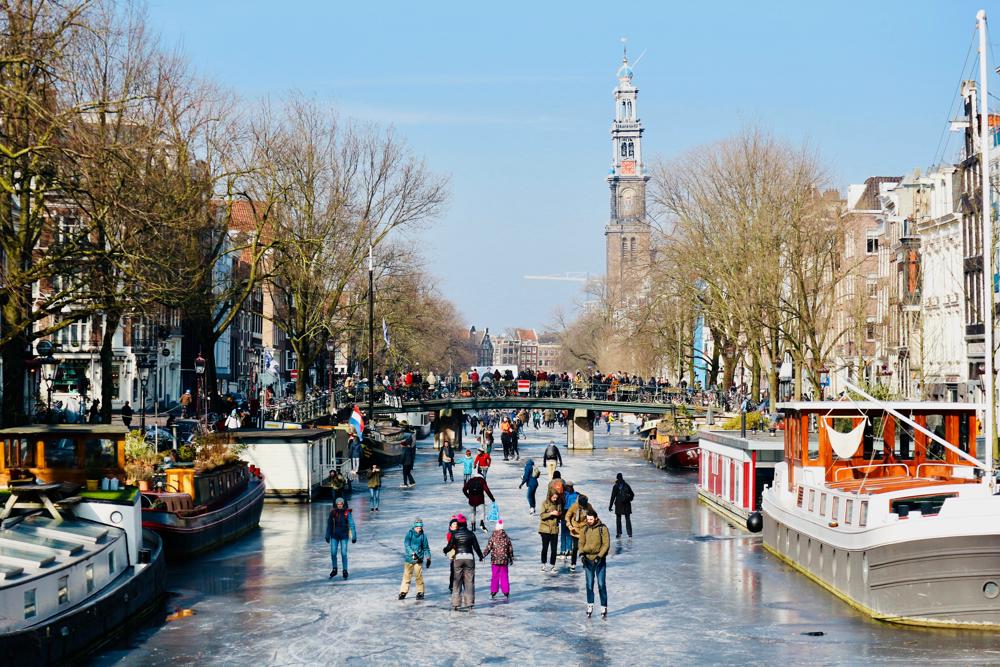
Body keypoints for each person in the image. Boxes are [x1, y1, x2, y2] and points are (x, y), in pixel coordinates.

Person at [445, 514, 483, 610]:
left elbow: (449, 546)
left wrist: (445, 550)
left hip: (458, 558)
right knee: (469, 581)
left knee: (457, 581)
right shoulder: (471, 534)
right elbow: (476, 547)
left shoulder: (455, 534)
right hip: (469, 558)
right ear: (466, 523)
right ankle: (469, 603)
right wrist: (480, 556)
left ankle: (456, 604)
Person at [579, 508, 611, 618]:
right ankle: (590, 605)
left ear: (596, 518)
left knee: (601, 584)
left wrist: (599, 556)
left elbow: (606, 544)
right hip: (588, 560)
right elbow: (581, 542)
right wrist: (582, 554)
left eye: (591, 519)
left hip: (600, 561)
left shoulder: (603, 528)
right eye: (588, 519)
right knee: (589, 584)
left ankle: (603, 606)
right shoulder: (584, 529)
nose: (589, 521)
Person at [324, 497, 357, 579]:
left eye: (341, 504)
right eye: (338, 504)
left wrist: (354, 536)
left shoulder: (347, 513)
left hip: (344, 536)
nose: (339, 505)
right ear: (336, 504)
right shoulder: (333, 513)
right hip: (334, 536)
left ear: (343, 504)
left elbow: (352, 524)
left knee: (344, 553)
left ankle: (345, 570)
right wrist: (327, 535)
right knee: (333, 552)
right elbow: (329, 525)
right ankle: (334, 569)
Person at [399, 518, 431, 600]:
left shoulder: (423, 536)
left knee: (418, 576)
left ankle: (420, 592)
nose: (419, 529)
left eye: (420, 528)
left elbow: (426, 548)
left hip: (419, 559)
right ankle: (403, 591)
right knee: (407, 576)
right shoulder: (409, 534)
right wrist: (413, 554)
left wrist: (428, 558)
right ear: (414, 527)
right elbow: (407, 545)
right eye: (417, 528)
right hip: (409, 559)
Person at [483, 519, 514, 599]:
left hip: (495, 560)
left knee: (495, 576)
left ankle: (494, 591)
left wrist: (483, 555)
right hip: (504, 560)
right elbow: (510, 549)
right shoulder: (506, 538)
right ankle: (506, 591)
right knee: (504, 576)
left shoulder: (493, 537)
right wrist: (511, 558)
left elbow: (488, 548)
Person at [564, 493, 590, 572]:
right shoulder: (574, 506)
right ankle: (573, 563)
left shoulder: (588, 506)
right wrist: (569, 526)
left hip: (585, 529)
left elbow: (594, 515)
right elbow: (567, 516)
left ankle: (586, 563)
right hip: (575, 529)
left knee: (585, 548)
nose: (582, 507)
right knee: (575, 547)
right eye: (581, 505)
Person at [538, 491, 562, 572]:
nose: (555, 499)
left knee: (554, 549)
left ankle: (553, 565)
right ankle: (543, 564)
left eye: (556, 498)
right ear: (550, 496)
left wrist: (558, 514)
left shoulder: (558, 504)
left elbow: (560, 514)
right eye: (553, 497)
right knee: (545, 548)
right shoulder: (545, 503)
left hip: (554, 529)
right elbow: (542, 515)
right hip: (545, 529)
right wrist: (551, 513)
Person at [609, 472, 635, 539]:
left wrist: (610, 506)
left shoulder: (615, 486)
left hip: (619, 505)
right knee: (627, 519)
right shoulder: (626, 485)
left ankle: (619, 533)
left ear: (617, 478)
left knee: (618, 519)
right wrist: (629, 499)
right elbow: (632, 494)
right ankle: (629, 534)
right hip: (626, 505)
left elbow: (612, 497)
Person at [560, 482, 579, 560]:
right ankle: (569, 549)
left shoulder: (563, 494)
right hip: (572, 515)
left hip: (564, 514)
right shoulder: (576, 494)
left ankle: (563, 550)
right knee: (570, 532)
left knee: (564, 533)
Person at [444, 516, 459, 593]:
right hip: (452, 552)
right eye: (454, 523)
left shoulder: (460, 532)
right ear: (450, 526)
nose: (455, 524)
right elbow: (451, 544)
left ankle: (458, 585)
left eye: (456, 523)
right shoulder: (449, 534)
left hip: (459, 552)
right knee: (453, 570)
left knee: (459, 570)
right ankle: (451, 585)